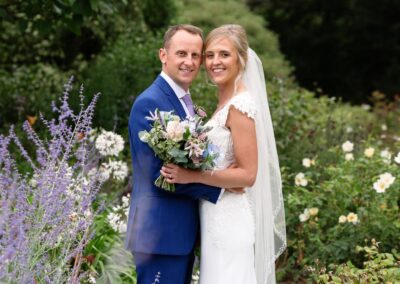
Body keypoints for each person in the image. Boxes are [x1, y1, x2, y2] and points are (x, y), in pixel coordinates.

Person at [160, 24, 287, 283]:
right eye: (210, 55)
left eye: (224, 54)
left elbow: (247, 175)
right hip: (214, 218)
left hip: (230, 223)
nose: (215, 62)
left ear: (241, 59)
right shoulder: (224, 103)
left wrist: (192, 176)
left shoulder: (240, 106)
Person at [125, 24, 222, 284]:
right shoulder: (150, 103)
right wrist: (222, 189)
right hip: (160, 236)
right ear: (163, 55)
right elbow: (162, 175)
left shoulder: (183, 102)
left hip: (178, 235)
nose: (189, 62)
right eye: (181, 53)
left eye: (195, 55)